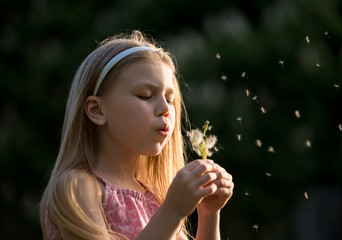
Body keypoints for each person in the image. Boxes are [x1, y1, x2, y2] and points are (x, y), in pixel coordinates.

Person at [39, 30, 234, 240]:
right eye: (145, 96)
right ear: (97, 110)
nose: (164, 109)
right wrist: (173, 211)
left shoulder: (156, 198)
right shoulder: (78, 187)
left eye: (170, 99)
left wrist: (209, 214)